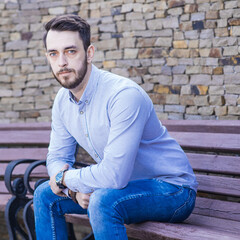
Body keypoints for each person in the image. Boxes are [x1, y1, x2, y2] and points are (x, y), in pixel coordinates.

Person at [33, 14, 198, 240]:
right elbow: (57, 158)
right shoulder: (63, 101)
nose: (62, 62)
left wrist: (65, 179)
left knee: (102, 201)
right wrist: (72, 191)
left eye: (70, 51)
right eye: (54, 54)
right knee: (44, 194)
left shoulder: (123, 95)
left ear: (89, 53)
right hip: (120, 189)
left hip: (172, 190)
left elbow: (114, 175)